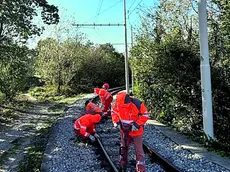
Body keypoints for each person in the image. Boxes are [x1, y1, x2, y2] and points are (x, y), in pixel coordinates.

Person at [111, 92, 150, 172]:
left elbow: (145, 115)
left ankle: (140, 168)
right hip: (124, 131)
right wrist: (116, 122)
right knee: (123, 148)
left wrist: (136, 125)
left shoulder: (137, 103)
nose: (122, 107)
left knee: (139, 151)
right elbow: (114, 113)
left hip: (136, 132)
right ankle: (122, 164)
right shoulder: (116, 103)